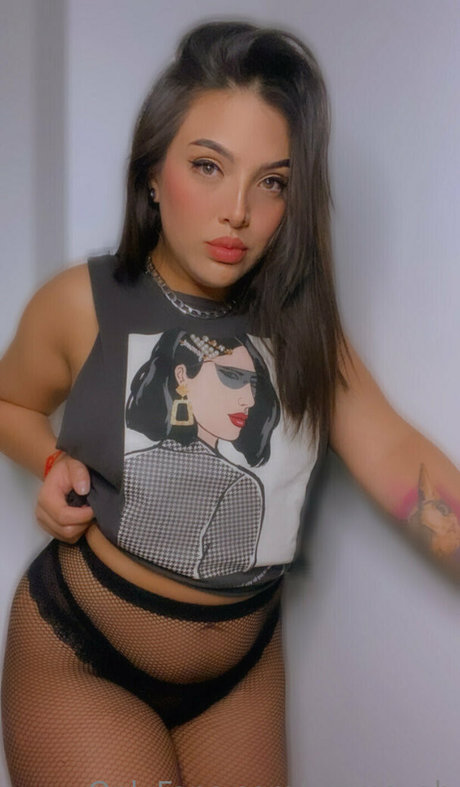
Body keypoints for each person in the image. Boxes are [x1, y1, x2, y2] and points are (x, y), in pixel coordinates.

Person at [0, 18, 459, 787]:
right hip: (85, 656)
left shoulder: (305, 327)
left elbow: (397, 456)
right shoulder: (80, 302)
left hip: (241, 675)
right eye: (208, 166)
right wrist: (49, 462)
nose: (239, 211)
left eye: (271, 181)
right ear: (153, 173)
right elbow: (9, 402)